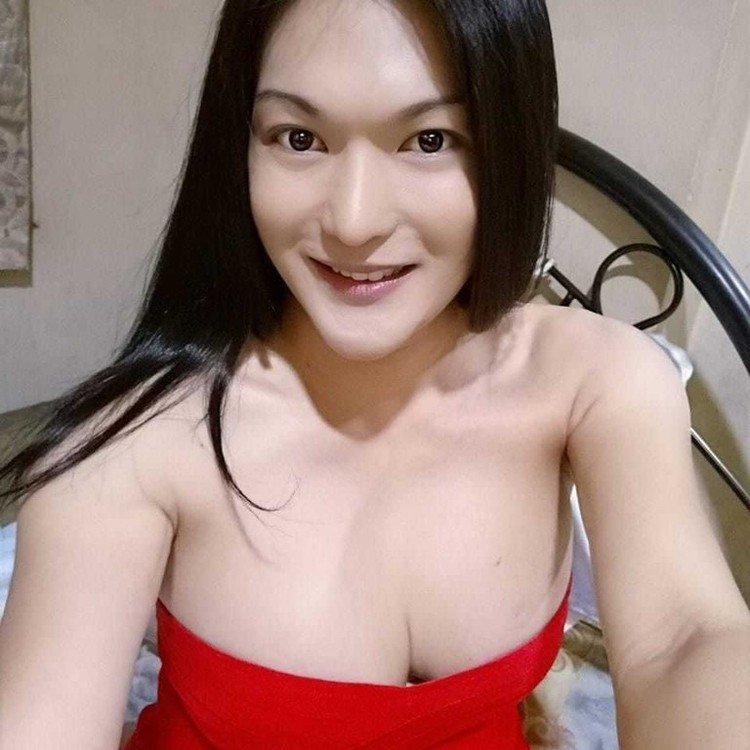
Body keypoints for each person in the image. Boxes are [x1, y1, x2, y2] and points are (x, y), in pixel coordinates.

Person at [1, 0, 748, 748]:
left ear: (509, 145)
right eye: (299, 138)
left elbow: (683, 640)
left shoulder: (596, 383)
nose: (354, 222)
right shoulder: (131, 447)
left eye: (430, 140)